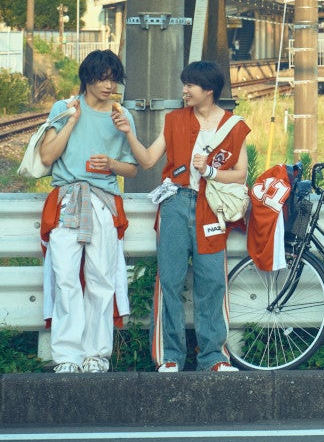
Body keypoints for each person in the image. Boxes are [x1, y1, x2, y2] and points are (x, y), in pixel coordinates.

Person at [118, 60, 249, 372]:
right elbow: (148, 160)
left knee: (212, 281)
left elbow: (241, 174)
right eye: (185, 84)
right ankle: (170, 356)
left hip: (211, 207)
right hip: (175, 202)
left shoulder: (234, 126)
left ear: (209, 90)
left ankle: (214, 357)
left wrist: (211, 172)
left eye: (190, 85)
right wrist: (128, 133)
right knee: (170, 280)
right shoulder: (174, 119)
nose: (184, 90)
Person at [37, 49, 137, 373]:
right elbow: (47, 156)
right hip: (68, 200)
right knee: (65, 277)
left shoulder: (122, 115)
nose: (109, 86)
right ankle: (67, 356)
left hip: (103, 202)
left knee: (100, 279)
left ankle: (97, 355)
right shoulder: (64, 108)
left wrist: (111, 164)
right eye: (103, 78)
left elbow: (132, 168)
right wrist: (71, 121)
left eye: (114, 79)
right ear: (87, 78)